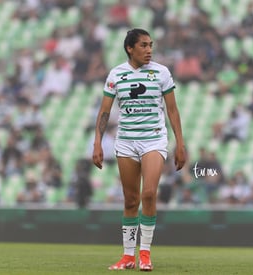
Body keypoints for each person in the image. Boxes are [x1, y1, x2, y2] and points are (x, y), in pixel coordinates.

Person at [92, 28, 186, 271]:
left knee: (149, 194)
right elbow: (104, 111)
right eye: (143, 45)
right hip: (126, 142)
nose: (149, 50)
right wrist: (97, 142)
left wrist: (180, 143)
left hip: (153, 140)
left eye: (150, 45)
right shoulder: (116, 75)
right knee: (131, 200)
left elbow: (172, 111)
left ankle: (144, 253)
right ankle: (127, 256)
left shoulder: (161, 72)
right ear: (129, 48)